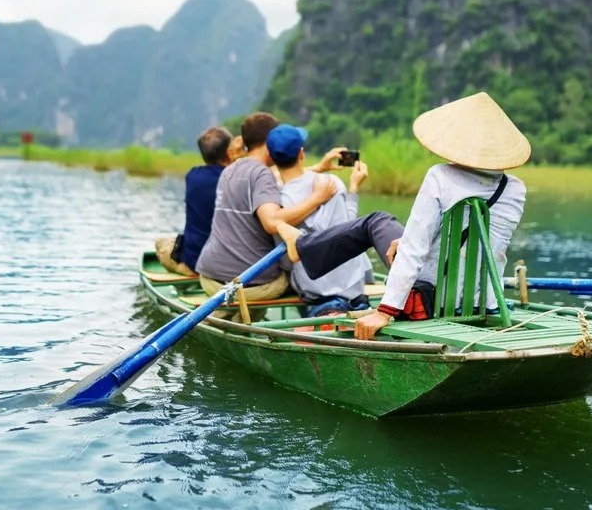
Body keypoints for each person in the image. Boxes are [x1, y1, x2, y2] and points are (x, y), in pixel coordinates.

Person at [275, 91, 530, 339]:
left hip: (430, 299)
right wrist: (407, 239)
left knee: (376, 221)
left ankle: (301, 246)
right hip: (483, 301)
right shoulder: (516, 189)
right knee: (393, 233)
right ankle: (303, 246)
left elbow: (414, 250)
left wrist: (385, 311)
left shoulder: (441, 177)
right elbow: (482, 244)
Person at [195, 112, 338, 307]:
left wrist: (319, 167)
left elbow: (274, 178)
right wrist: (317, 198)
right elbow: (271, 222)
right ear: (269, 141)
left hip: (210, 277)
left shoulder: (231, 169)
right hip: (249, 285)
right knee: (304, 277)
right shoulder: (262, 174)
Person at [266, 123, 372, 316]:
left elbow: (287, 261)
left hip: (314, 291)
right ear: (301, 153)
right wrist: (354, 188)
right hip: (353, 287)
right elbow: (350, 228)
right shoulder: (331, 182)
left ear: (272, 159)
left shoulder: (276, 202)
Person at [154, 125, 236, 275]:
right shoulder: (236, 179)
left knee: (161, 243)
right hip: (228, 260)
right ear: (228, 152)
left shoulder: (192, 176)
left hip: (195, 260)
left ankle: (185, 269)